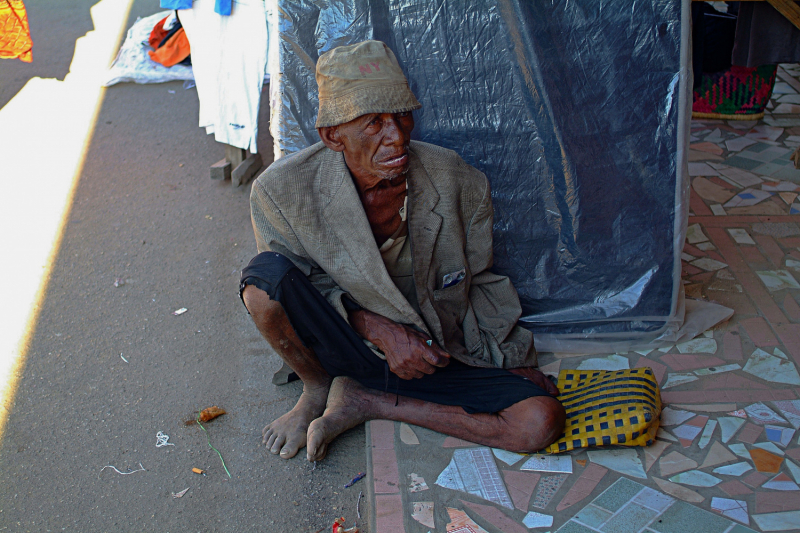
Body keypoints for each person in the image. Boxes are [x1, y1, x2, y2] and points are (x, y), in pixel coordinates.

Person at [240, 40, 565, 462]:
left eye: (402, 116)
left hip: (434, 350)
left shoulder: (456, 180)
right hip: (347, 345)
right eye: (373, 123)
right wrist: (378, 329)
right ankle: (317, 389)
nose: (396, 137)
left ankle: (368, 402)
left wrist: (510, 358)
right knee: (263, 281)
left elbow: (482, 279)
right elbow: (295, 288)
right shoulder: (281, 190)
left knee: (538, 421)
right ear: (332, 135)